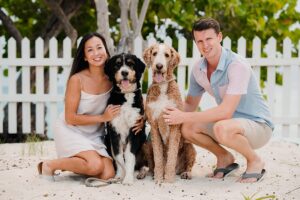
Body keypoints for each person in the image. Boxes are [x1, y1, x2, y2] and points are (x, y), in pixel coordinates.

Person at [163, 17, 274, 183]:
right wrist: (167, 117)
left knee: (221, 127)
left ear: (219, 37)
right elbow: (189, 106)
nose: (205, 45)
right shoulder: (198, 69)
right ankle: (224, 158)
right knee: (187, 128)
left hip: (258, 126)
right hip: (230, 124)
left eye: (209, 39)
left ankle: (254, 160)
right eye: (199, 41)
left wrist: (183, 116)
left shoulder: (237, 66)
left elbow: (225, 111)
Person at [37, 32, 142, 181]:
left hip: (95, 134)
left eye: (99, 47)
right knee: (95, 166)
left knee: (108, 174)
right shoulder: (77, 79)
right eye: (90, 50)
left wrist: (141, 119)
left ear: (106, 51)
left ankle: (82, 162)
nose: (96, 53)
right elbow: (70, 118)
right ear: (85, 56)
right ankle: (49, 165)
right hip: (71, 129)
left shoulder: (114, 79)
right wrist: (102, 118)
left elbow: (133, 99)